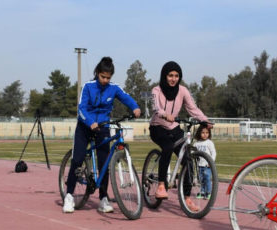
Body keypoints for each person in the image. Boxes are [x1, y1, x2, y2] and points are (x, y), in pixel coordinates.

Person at [63, 57, 141, 214]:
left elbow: (126, 97)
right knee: (77, 159)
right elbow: (81, 109)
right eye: (103, 77)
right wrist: (90, 122)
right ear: (97, 73)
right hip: (85, 126)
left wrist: (135, 107)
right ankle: (69, 195)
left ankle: (103, 198)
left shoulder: (114, 88)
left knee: (104, 164)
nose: (105, 80)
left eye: (108, 77)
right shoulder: (88, 87)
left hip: (103, 127)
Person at [149, 61, 210, 212]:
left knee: (188, 159)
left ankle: (187, 198)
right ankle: (161, 185)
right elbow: (156, 107)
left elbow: (192, 108)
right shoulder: (156, 90)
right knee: (168, 147)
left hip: (174, 127)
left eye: (176, 76)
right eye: (170, 75)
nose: (173, 79)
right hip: (157, 127)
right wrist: (165, 115)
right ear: (164, 76)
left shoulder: (183, 90)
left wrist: (205, 120)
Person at [193, 123, 216, 199]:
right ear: (199, 133)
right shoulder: (196, 143)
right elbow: (193, 152)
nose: (205, 134)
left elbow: (213, 153)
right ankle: (202, 192)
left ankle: (208, 193)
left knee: (207, 179)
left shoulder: (209, 142)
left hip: (207, 165)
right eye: (203, 133)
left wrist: (211, 162)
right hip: (200, 165)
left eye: (207, 133)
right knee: (201, 179)